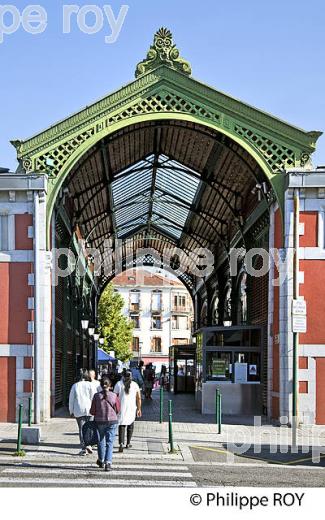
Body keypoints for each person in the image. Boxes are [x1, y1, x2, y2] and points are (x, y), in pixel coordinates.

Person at [90, 375, 120, 472]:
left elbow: (92, 411)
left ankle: (101, 460)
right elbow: (118, 409)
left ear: (101, 385)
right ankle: (108, 463)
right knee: (110, 442)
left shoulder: (96, 396)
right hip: (112, 421)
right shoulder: (114, 396)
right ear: (110, 385)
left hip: (99, 421)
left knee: (100, 441)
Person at [114, 370, 142, 452]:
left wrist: (114, 407)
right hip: (132, 408)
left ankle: (121, 443)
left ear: (123, 376)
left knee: (121, 425)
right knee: (130, 424)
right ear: (131, 376)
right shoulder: (135, 385)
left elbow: (114, 396)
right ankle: (128, 443)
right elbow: (138, 398)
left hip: (121, 407)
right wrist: (139, 408)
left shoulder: (118, 384)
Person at [69, 369, 93, 456]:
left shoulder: (75, 386)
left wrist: (71, 411)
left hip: (78, 409)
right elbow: (94, 397)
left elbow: (71, 399)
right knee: (90, 428)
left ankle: (83, 448)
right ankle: (89, 445)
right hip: (90, 409)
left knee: (81, 429)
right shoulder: (91, 385)